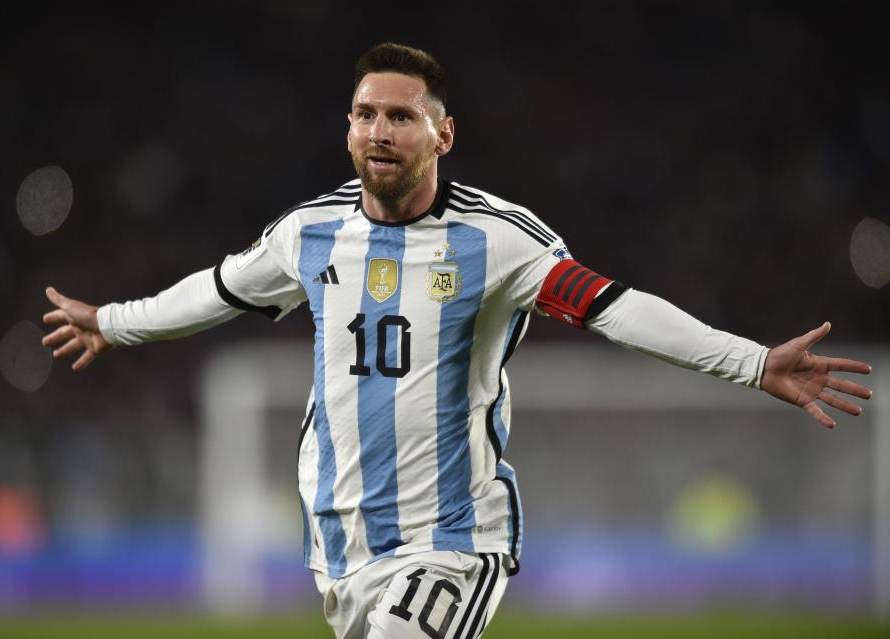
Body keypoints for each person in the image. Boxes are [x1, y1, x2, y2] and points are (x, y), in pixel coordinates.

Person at [42, 43, 872, 639]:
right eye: (364, 113)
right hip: (339, 544)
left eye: (400, 116)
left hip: (451, 540)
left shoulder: (499, 242)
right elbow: (218, 288)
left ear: (442, 134)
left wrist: (752, 361)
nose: (378, 130)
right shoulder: (312, 234)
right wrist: (113, 322)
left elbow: (617, 306)